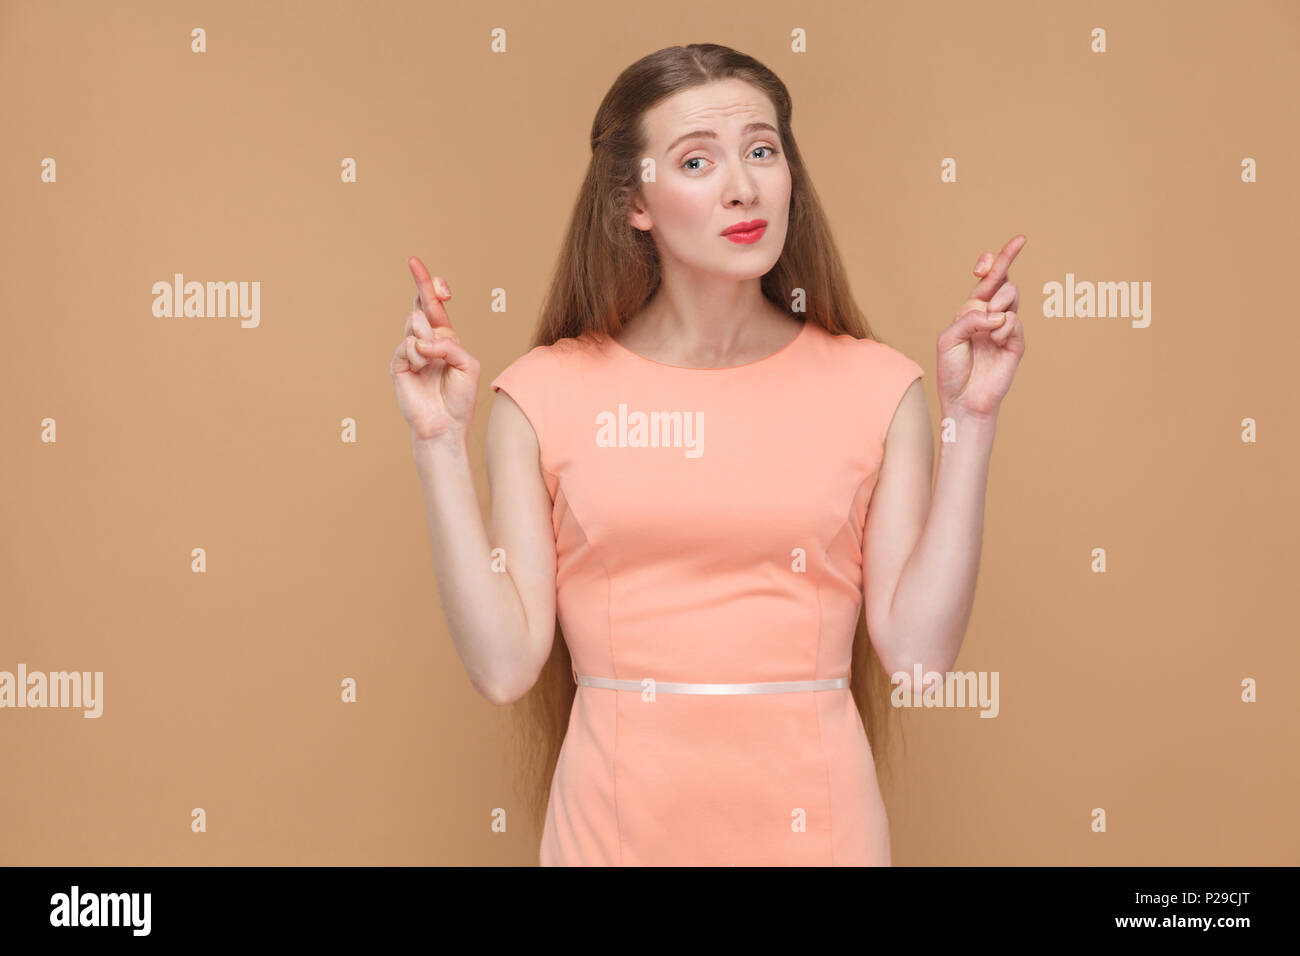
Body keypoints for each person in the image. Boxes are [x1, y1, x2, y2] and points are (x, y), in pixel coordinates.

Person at [390, 43, 1025, 865]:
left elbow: (918, 657)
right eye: (698, 160)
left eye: (762, 151)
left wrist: (971, 420)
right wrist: (437, 444)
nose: (743, 186)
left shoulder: (879, 387)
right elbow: (506, 667)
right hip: (612, 836)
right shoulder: (541, 396)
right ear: (634, 203)